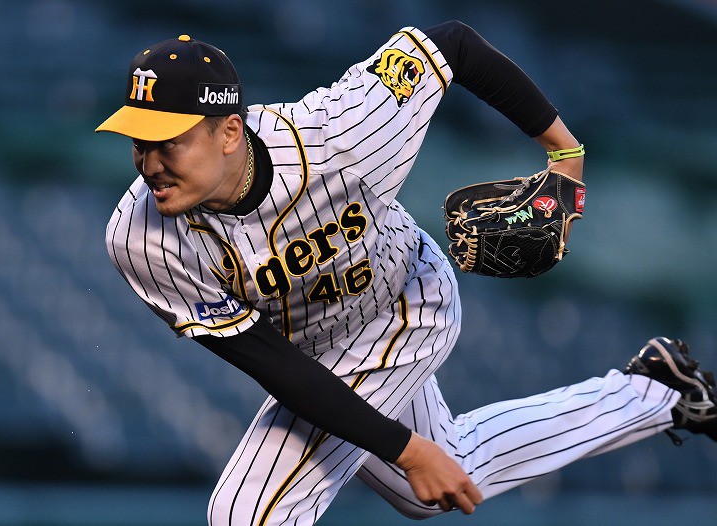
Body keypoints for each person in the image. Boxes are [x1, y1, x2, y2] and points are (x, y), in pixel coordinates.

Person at [95, 20, 716, 524]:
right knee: (431, 480)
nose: (149, 163)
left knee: (249, 513)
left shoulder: (345, 132)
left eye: (168, 142)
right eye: (137, 142)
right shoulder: (140, 238)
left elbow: (455, 45)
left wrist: (565, 150)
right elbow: (272, 364)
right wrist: (409, 449)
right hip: (308, 348)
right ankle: (660, 393)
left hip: (404, 305)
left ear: (230, 131)